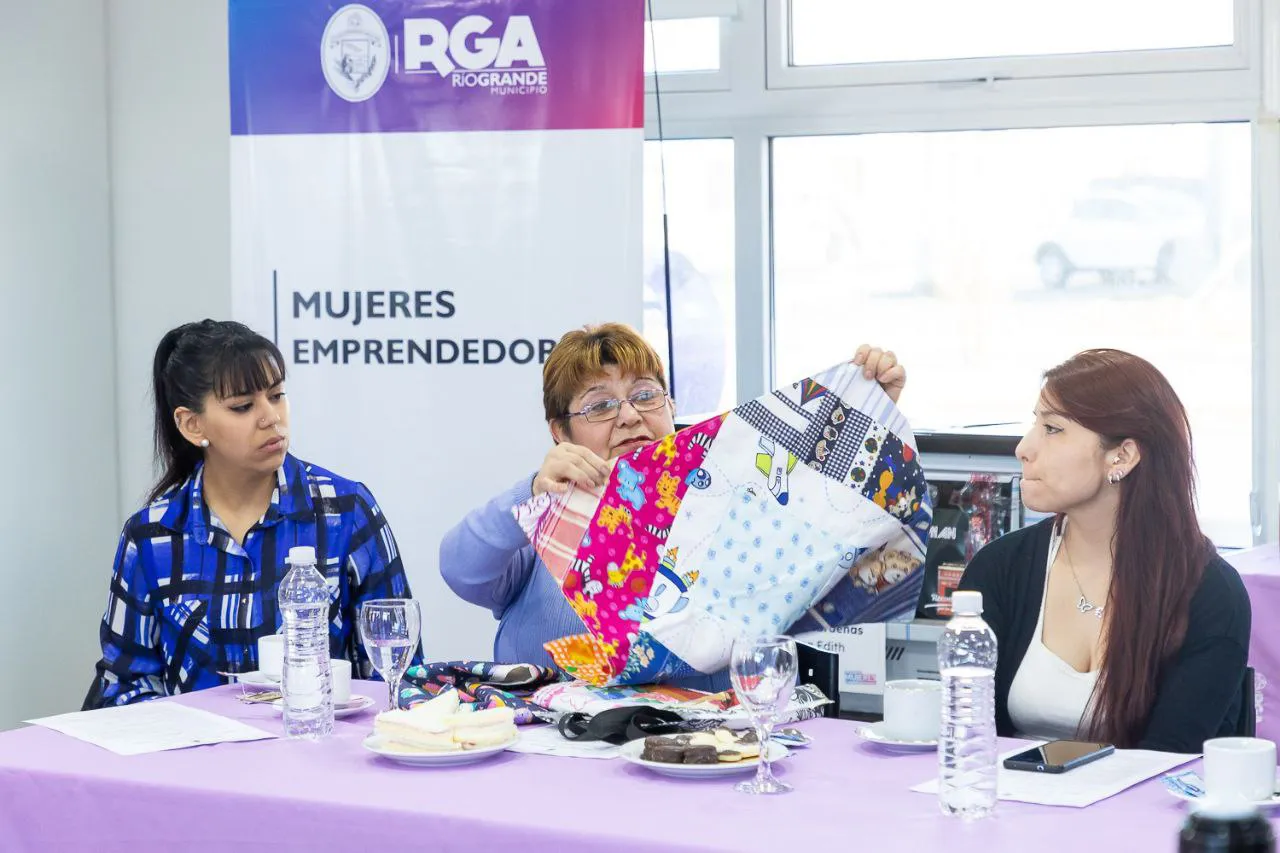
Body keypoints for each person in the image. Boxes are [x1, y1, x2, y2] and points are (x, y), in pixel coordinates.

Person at [439, 322, 904, 689]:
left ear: (671, 405)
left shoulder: (732, 501)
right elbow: (462, 569)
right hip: (549, 752)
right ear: (560, 432)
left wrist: (871, 414)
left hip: (698, 752)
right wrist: (535, 492)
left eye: (645, 395)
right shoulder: (546, 514)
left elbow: (842, 546)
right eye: (599, 407)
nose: (629, 415)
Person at [84, 320, 414, 709]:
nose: (270, 418)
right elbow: (122, 688)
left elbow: (399, 678)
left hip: (320, 757)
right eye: (242, 406)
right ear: (192, 424)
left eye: (277, 396)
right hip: (193, 765)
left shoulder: (345, 511)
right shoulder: (151, 536)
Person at [958, 349, 1250, 752]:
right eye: (1034, 425)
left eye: (1053, 429)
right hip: (1007, 802)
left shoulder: (1209, 591)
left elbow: (1169, 760)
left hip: (1140, 810)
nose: (1024, 448)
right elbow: (966, 738)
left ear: (1123, 455)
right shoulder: (1000, 568)